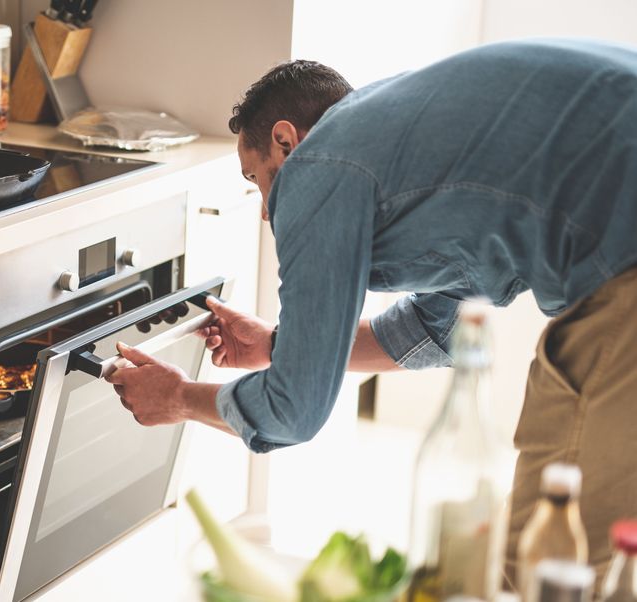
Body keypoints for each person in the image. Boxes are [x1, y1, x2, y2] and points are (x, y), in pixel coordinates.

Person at [105, 38, 637, 584]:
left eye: (258, 179)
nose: (267, 212)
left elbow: (294, 410)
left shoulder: (319, 164)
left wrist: (177, 398)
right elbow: (435, 329)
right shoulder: (406, 142)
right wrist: (277, 347)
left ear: (287, 142)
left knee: (536, 559)